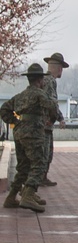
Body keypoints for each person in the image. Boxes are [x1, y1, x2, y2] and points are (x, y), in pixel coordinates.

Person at [1, 63, 61, 212]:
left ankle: (12, 196)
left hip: (19, 131)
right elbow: (52, 107)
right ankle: (28, 194)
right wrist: (52, 119)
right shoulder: (40, 94)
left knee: (23, 166)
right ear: (40, 80)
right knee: (39, 163)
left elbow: (4, 109)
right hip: (34, 132)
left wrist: (14, 121)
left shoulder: (20, 96)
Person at [40, 52, 69, 187]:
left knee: (47, 153)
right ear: (59, 68)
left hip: (44, 124)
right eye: (61, 68)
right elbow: (52, 103)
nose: (61, 71)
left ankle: (42, 178)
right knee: (44, 154)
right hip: (43, 125)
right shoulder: (49, 81)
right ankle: (37, 180)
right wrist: (61, 118)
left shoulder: (44, 80)